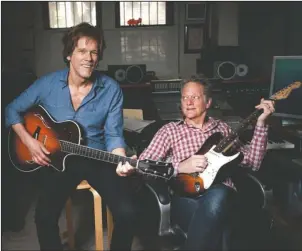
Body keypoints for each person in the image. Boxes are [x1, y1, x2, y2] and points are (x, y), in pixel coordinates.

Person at [5, 22, 139, 250]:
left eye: (94, 52)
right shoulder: (47, 84)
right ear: (69, 54)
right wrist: (30, 141)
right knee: (44, 217)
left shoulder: (111, 88)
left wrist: (120, 159)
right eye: (82, 51)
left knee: (128, 213)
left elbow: (114, 134)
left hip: (96, 156)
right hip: (57, 160)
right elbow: (11, 109)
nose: (89, 58)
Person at [117, 79, 275, 250]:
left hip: (224, 195)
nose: (189, 102)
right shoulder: (170, 130)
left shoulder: (223, 129)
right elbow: (144, 166)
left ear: (208, 102)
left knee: (220, 195)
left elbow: (253, 163)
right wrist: (180, 166)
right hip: (186, 197)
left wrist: (261, 123)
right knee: (220, 212)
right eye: (185, 98)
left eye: (195, 97)